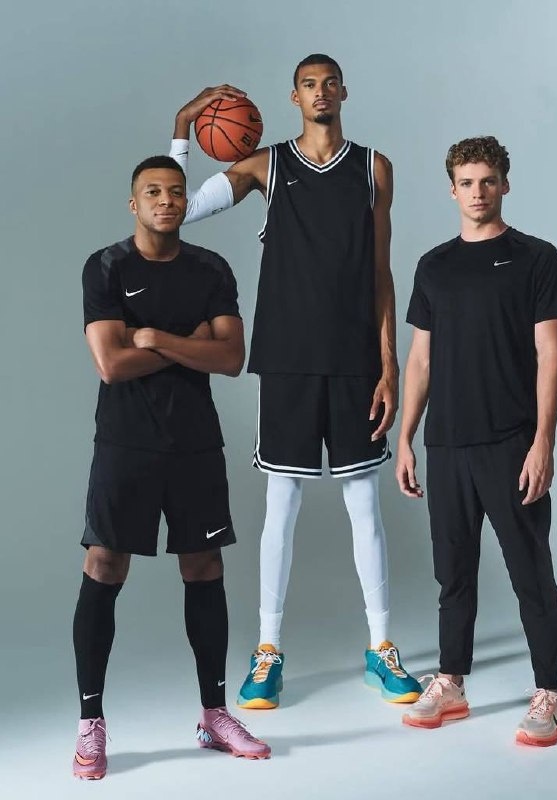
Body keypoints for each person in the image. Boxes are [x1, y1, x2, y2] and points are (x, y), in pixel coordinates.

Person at [169, 54, 421, 709]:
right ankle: (269, 652)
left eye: (328, 83)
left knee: (364, 506)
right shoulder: (267, 165)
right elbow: (179, 210)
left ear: (344, 91)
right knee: (281, 506)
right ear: (293, 97)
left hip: (356, 361)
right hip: (286, 359)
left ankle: (382, 648)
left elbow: (382, 272)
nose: (319, 92)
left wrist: (390, 363)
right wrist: (183, 127)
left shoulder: (375, 168)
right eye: (308, 84)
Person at [72, 155, 270, 780]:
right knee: (105, 564)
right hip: (126, 442)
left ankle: (215, 715)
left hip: (194, 442)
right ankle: (90, 723)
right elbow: (111, 364)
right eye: (153, 192)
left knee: (204, 566)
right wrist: (192, 345)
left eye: (176, 191)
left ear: (187, 202)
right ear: (134, 204)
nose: (166, 200)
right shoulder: (106, 266)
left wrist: (155, 338)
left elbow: (232, 357)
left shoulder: (211, 269)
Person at [396, 136, 557, 746]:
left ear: (505, 185)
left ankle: (550, 694)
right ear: (452, 190)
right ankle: (450, 681)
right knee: (453, 573)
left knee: (530, 571)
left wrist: (543, 441)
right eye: (467, 183)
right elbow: (421, 360)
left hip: (510, 441)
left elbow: (550, 354)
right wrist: (406, 437)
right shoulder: (434, 266)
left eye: (488, 181)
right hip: (447, 444)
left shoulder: (536, 258)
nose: (477, 192)